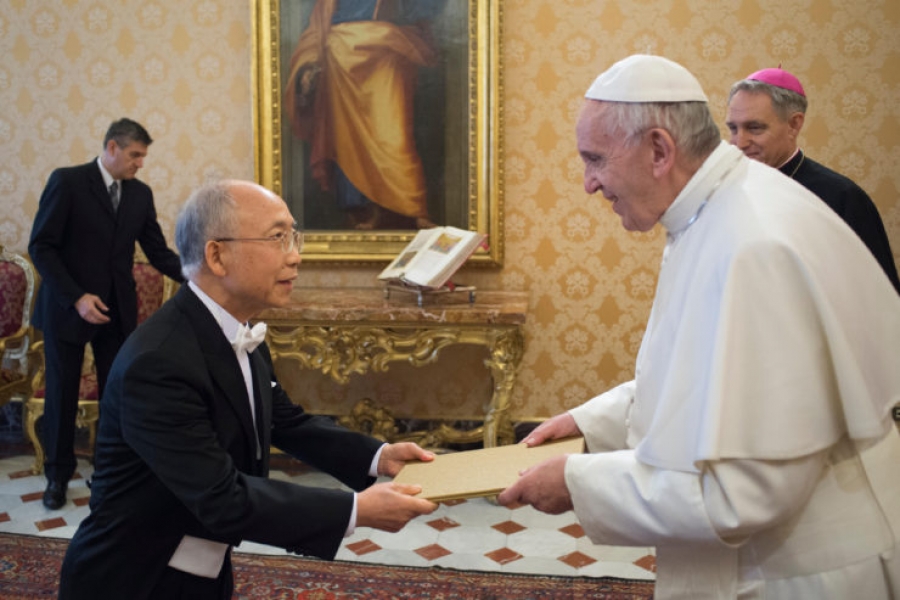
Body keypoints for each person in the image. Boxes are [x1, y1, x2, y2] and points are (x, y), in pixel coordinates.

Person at [497, 54, 900, 599]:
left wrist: (577, 482)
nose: (589, 184)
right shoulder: (717, 209)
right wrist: (593, 423)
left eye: (595, 159)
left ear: (660, 150)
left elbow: (745, 494)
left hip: (795, 576)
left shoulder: (752, 243)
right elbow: (708, 369)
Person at [57, 179, 438, 599]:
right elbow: (221, 498)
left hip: (202, 570)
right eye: (278, 238)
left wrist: (378, 457)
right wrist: (355, 510)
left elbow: (286, 421)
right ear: (217, 255)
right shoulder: (157, 362)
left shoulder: (236, 328)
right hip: (133, 579)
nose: (295, 256)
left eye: (295, 237)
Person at [28, 118, 184, 510]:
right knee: (61, 395)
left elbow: (158, 252)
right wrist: (77, 296)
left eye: (143, 157)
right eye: (135, 155)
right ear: (112, 148)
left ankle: (110, 472)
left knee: (118, 394)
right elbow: (42, 247)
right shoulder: (66, 182)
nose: (140, 164)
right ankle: (57, 476)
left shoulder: (140, 195)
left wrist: (203, 278)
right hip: (68, 308)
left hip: (117, 312)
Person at [726, 67, 900, 293]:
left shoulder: (842, 198)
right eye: (733, 128)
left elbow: (878, 295)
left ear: (794, 124)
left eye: (755, 128)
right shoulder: (726, 191)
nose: (739, 143)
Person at [283, 0, 445, 230]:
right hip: (341, 55)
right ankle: (362, 212)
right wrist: (308, 66)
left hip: (388, 50)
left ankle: (411, 206)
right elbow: (317, 27)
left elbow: (421, 10)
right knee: (349, 139)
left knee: (394, 136)